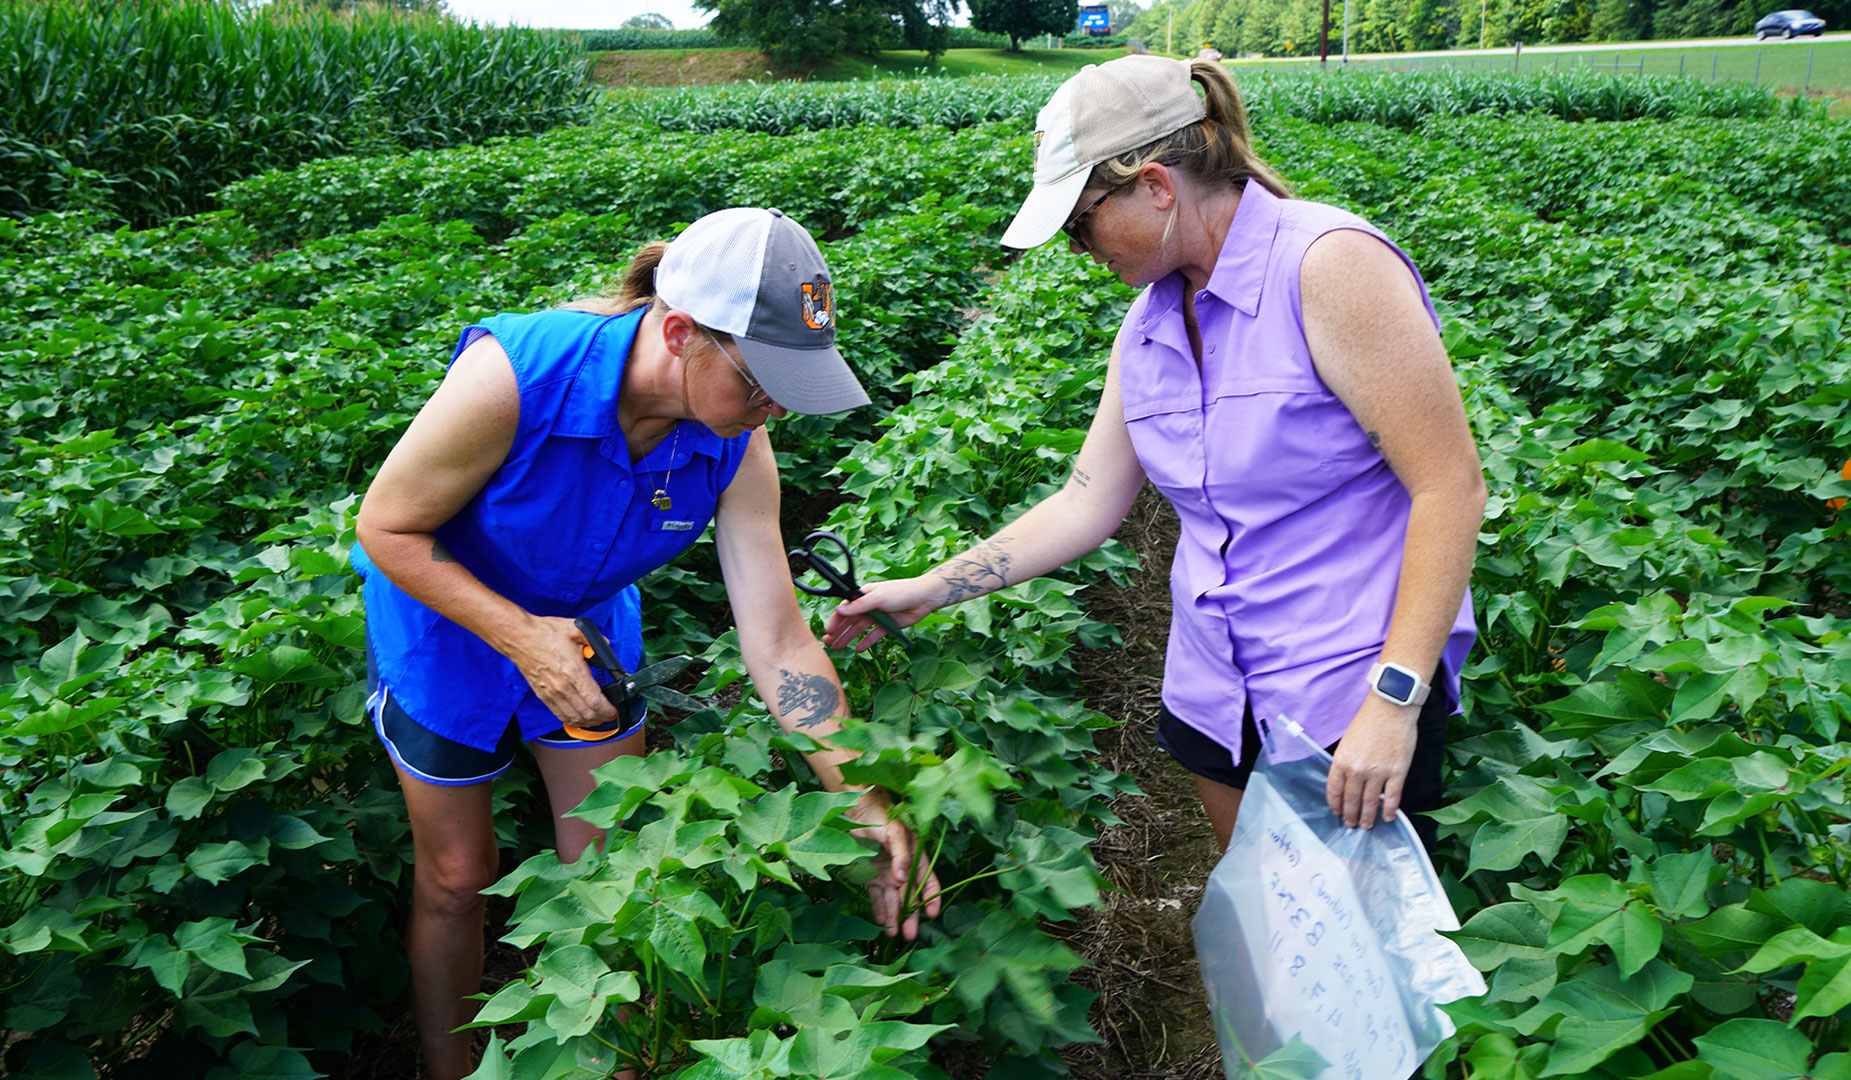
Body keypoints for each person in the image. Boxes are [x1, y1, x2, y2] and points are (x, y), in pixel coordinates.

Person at [824, 56, 1484, 856]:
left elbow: (1448, 485)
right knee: (1271, 928)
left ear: (1157, 186)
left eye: (1081, 220)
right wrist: (931, 589)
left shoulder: (1329, 265)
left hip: (1345, 692)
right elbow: (1087, 501)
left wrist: (1395, 698)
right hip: (1216, 689)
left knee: (1367, 956)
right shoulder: (1148, 323)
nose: (1076, 248)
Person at [352, 207, 942, 1080]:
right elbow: (388, 526)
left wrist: (858, 795)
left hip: (586, 633)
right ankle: (453, 1065)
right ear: (680, 333)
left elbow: (779, 639)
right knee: (457, 875)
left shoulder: (737, 442)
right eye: (762, 381)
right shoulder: (515, 377)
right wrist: (520, 638)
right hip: (447, 626)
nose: (773, 405)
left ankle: (604, 1057)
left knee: (608, 871)